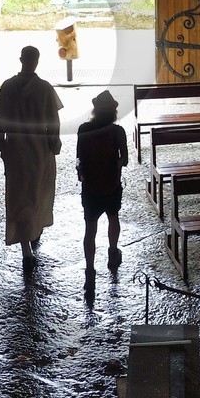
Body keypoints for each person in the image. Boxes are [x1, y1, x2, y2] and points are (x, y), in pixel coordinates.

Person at [0, 45, 63, 264]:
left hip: (15, 149)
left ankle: (25, 247)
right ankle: (35, 231)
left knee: (19, 195)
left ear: (20, 59)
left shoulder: (8, 87)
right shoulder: (45, 89)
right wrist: (54, 143)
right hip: (39, 149)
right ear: (37, 61)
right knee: (38, 191)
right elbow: (54, 122)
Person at [75, 89, 127, 291]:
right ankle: (113, 252)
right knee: (113, 218)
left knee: (90, 228)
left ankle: (90, 269)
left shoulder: (83, 129)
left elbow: (79, 157)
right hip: (112, 183)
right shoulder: (118, 131)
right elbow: (125, 160)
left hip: (90, 186)